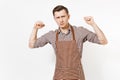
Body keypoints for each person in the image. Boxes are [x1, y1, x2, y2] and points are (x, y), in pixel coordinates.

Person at [29, 5, 108, 80]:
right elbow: (32, 45)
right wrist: (35, 28)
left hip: (77, 76)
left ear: (68, 16)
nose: (61, 20)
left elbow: (103, 41)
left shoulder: (80, 31)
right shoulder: (52, 35)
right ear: (54, 19)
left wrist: (93, 24)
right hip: (59, 77)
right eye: (58, 17)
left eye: (63, 16)